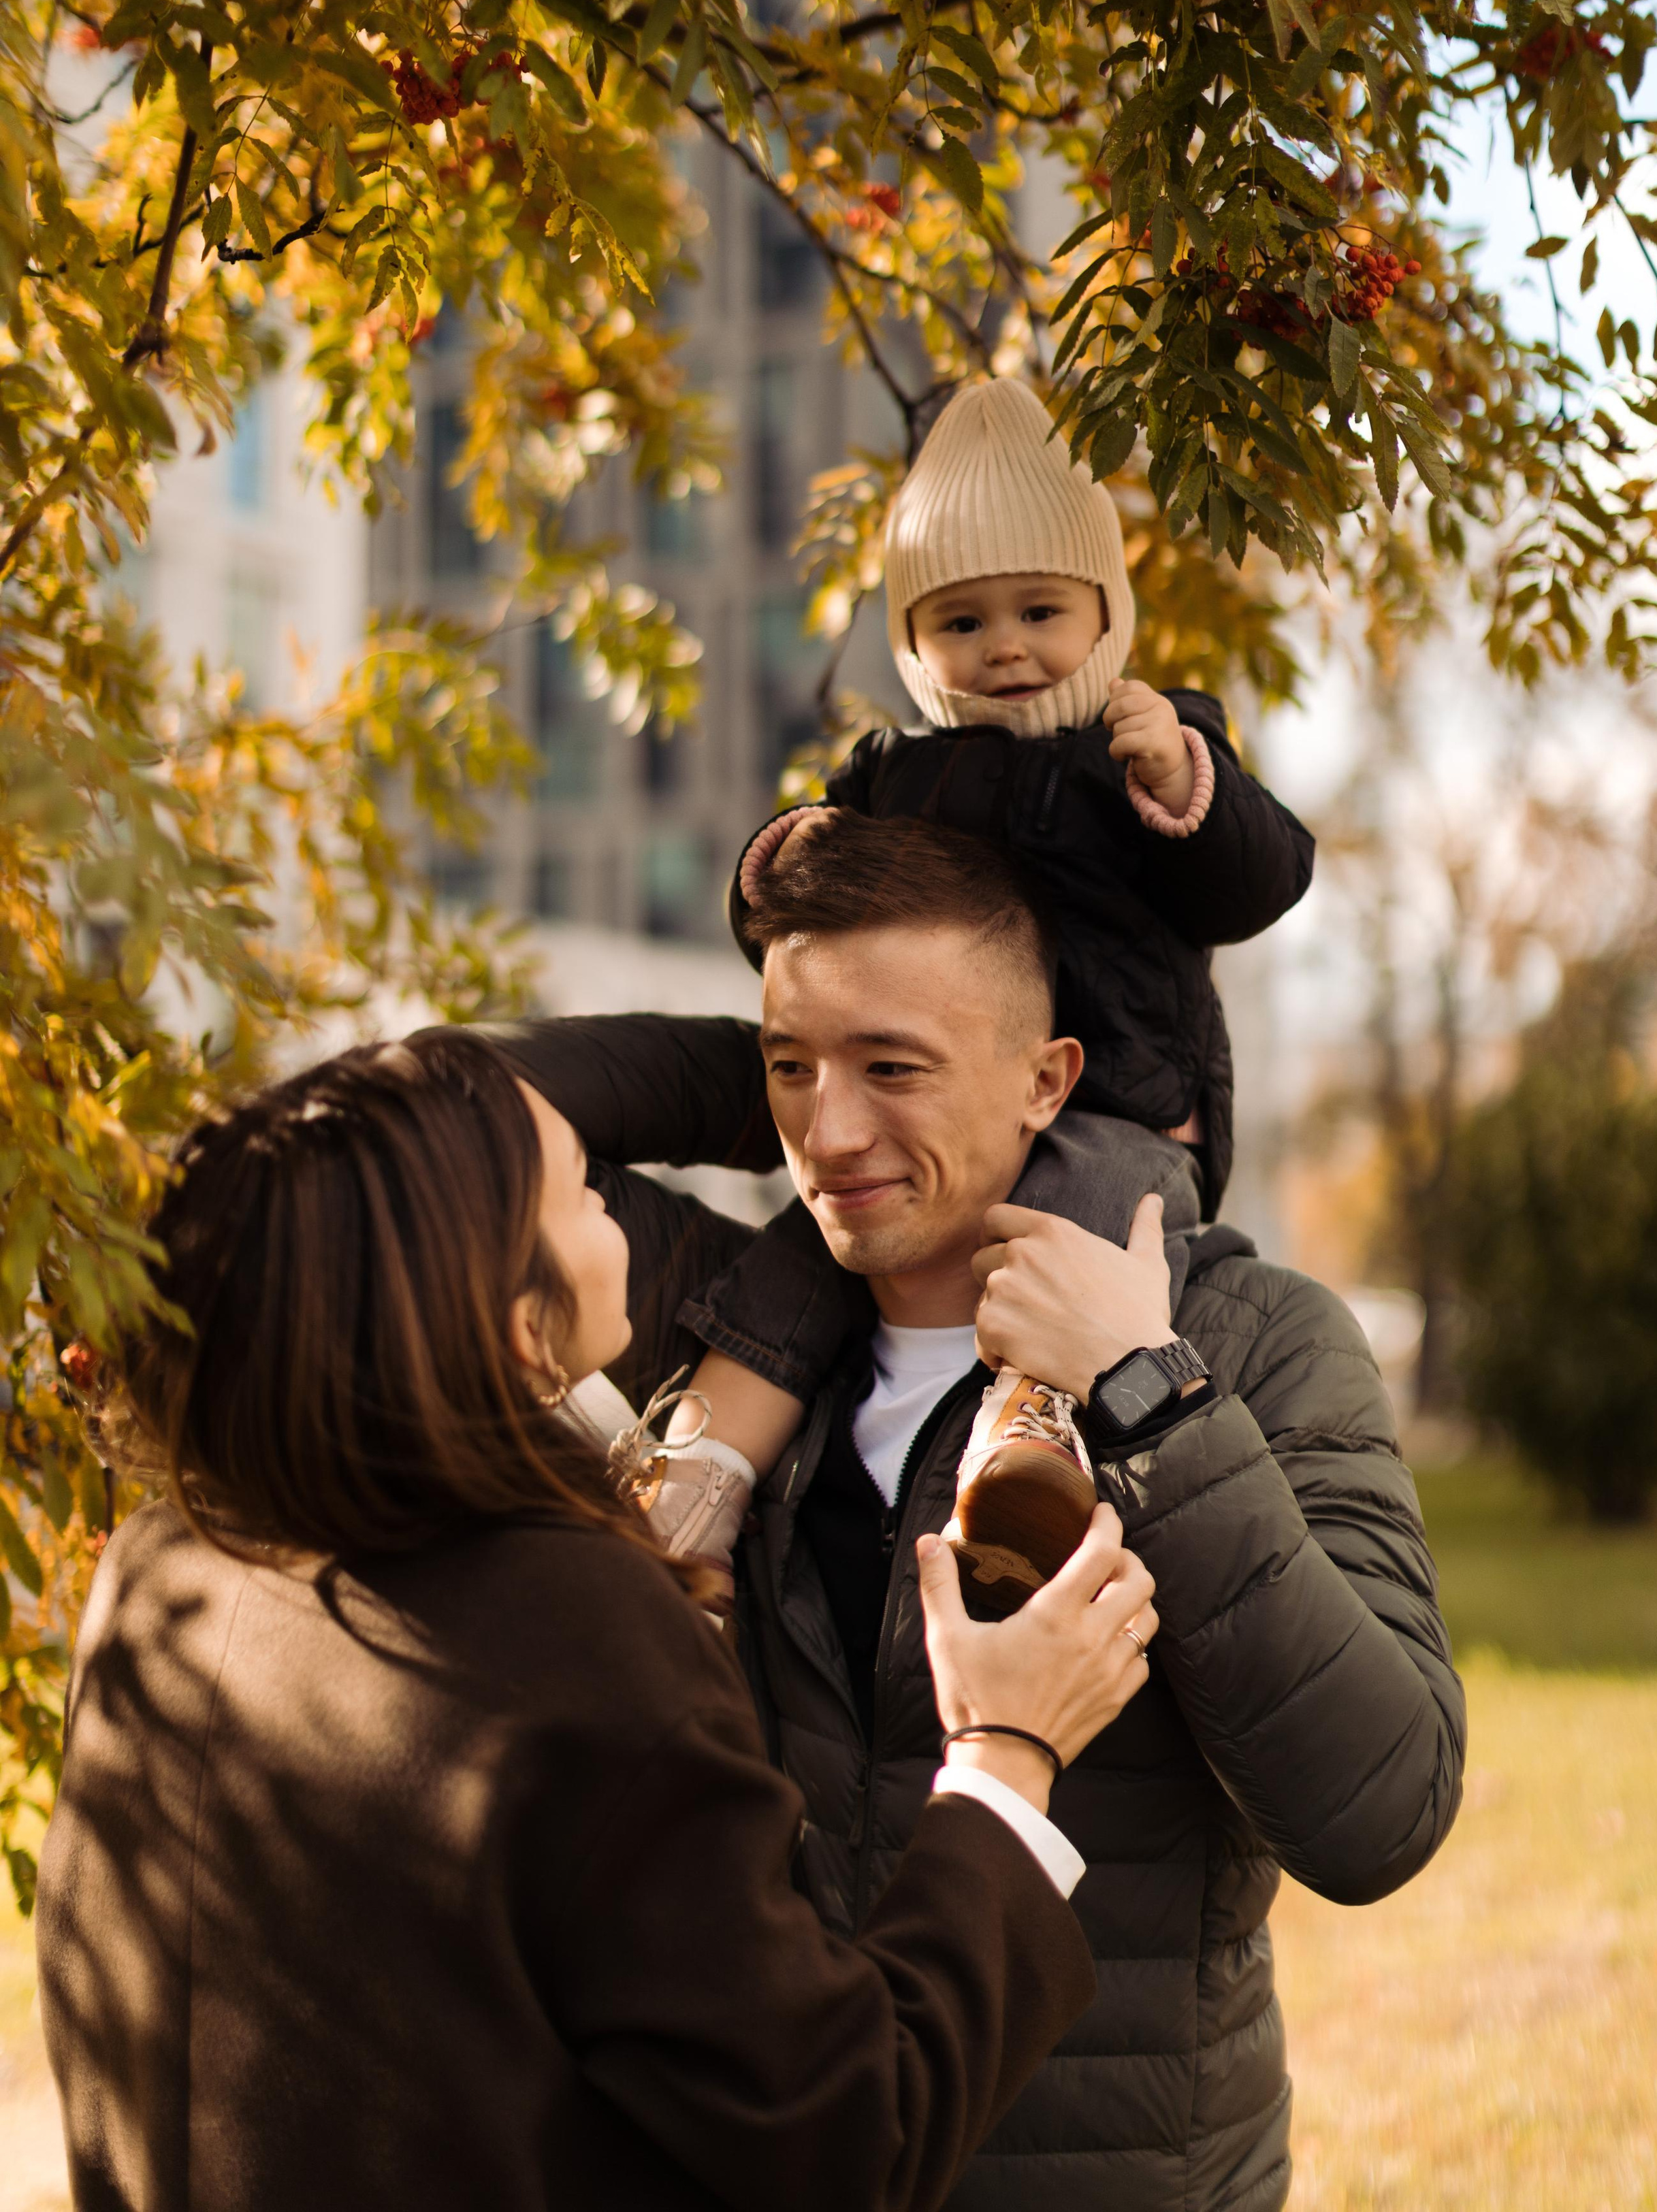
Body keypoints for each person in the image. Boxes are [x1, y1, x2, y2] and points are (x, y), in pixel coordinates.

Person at [489, 811, 1466, 2212]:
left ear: (1045, 1079)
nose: (824, 1136)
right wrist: (763, 1058)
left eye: (894, 1067)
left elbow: (1381, 1811)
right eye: (788, 1070)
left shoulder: (1252, 1341)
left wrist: (1149, 1397)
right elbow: (445, 1110)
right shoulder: (728, 1337)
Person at [33, 1028, 1161, 2212]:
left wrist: (824, 1059)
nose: (621, 1214)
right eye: (580, 1190)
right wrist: (1002, 1759)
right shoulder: (563, 1627)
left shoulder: (170, 1563)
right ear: (516, 1324)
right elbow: (840, 2140)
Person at [626, 378, 1316, 1607]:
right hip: (947, 1112)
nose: (1004, 647)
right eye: (960, 622)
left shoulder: (1146, 740)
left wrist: (1186, 782)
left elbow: (1259, 885)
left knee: (1074, 1245)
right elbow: (805, 929)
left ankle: (1026, 1451)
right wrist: (777, 859)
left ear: (1107, 612)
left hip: (1125, 1114)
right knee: (801, 1253)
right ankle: (702, 1480)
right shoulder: (893, 774)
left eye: (1040, 610)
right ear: (911, 644)